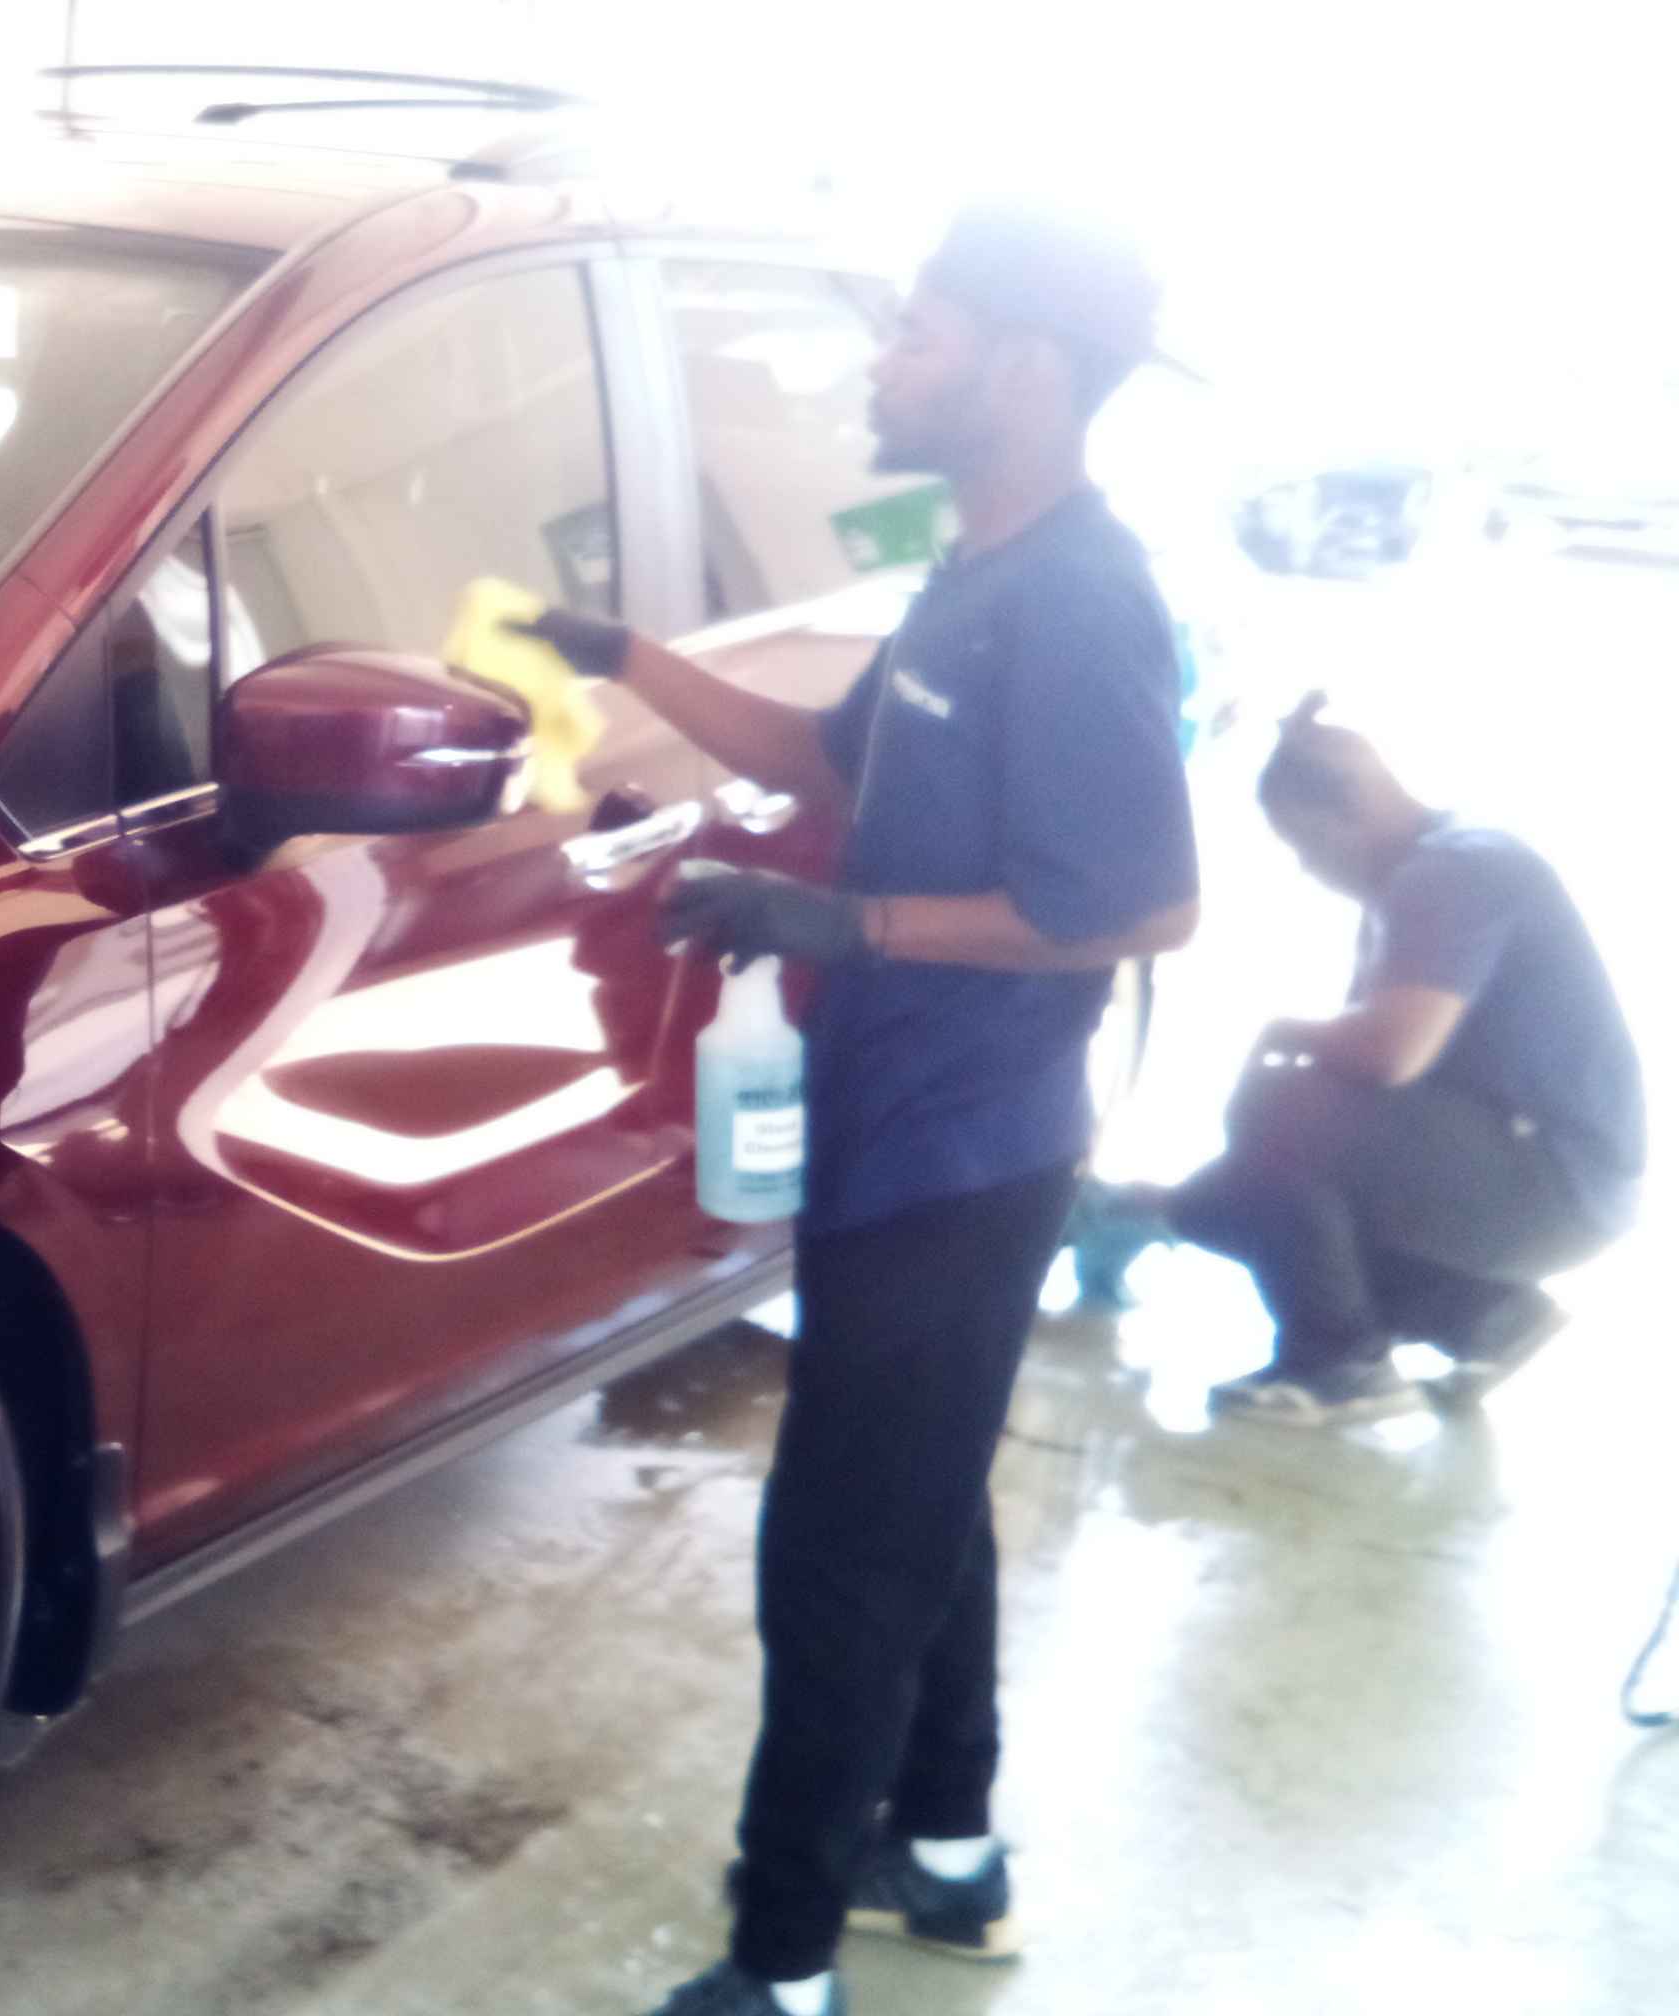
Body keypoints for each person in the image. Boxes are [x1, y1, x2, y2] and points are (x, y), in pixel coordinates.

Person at [512, 204, 1201, 2016]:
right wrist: (621, 654)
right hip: (900, 1123)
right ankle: (947, 1857)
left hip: (967, 1152)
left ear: (1022, 370)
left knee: (835, 1550)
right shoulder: (972, 574)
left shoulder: (1080, 598)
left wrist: (854, 926)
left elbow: (1143, 903)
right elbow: (824, 757)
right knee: (916, 1500)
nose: (878, 364)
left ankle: (783, 1963)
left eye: (917, 334)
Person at [1141, 697, 1640, 1424]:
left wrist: (1284, 1034)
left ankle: (1341, 1365)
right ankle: (1484, 1319)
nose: (1312, 868)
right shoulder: (1436, 869)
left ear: (1348, 813)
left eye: (1307, 846)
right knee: (1212, 1204)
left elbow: (1391, 1054)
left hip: (1557, 1182)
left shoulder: (1452, 871)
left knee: (1281, 1107)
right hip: (1538, 1173)